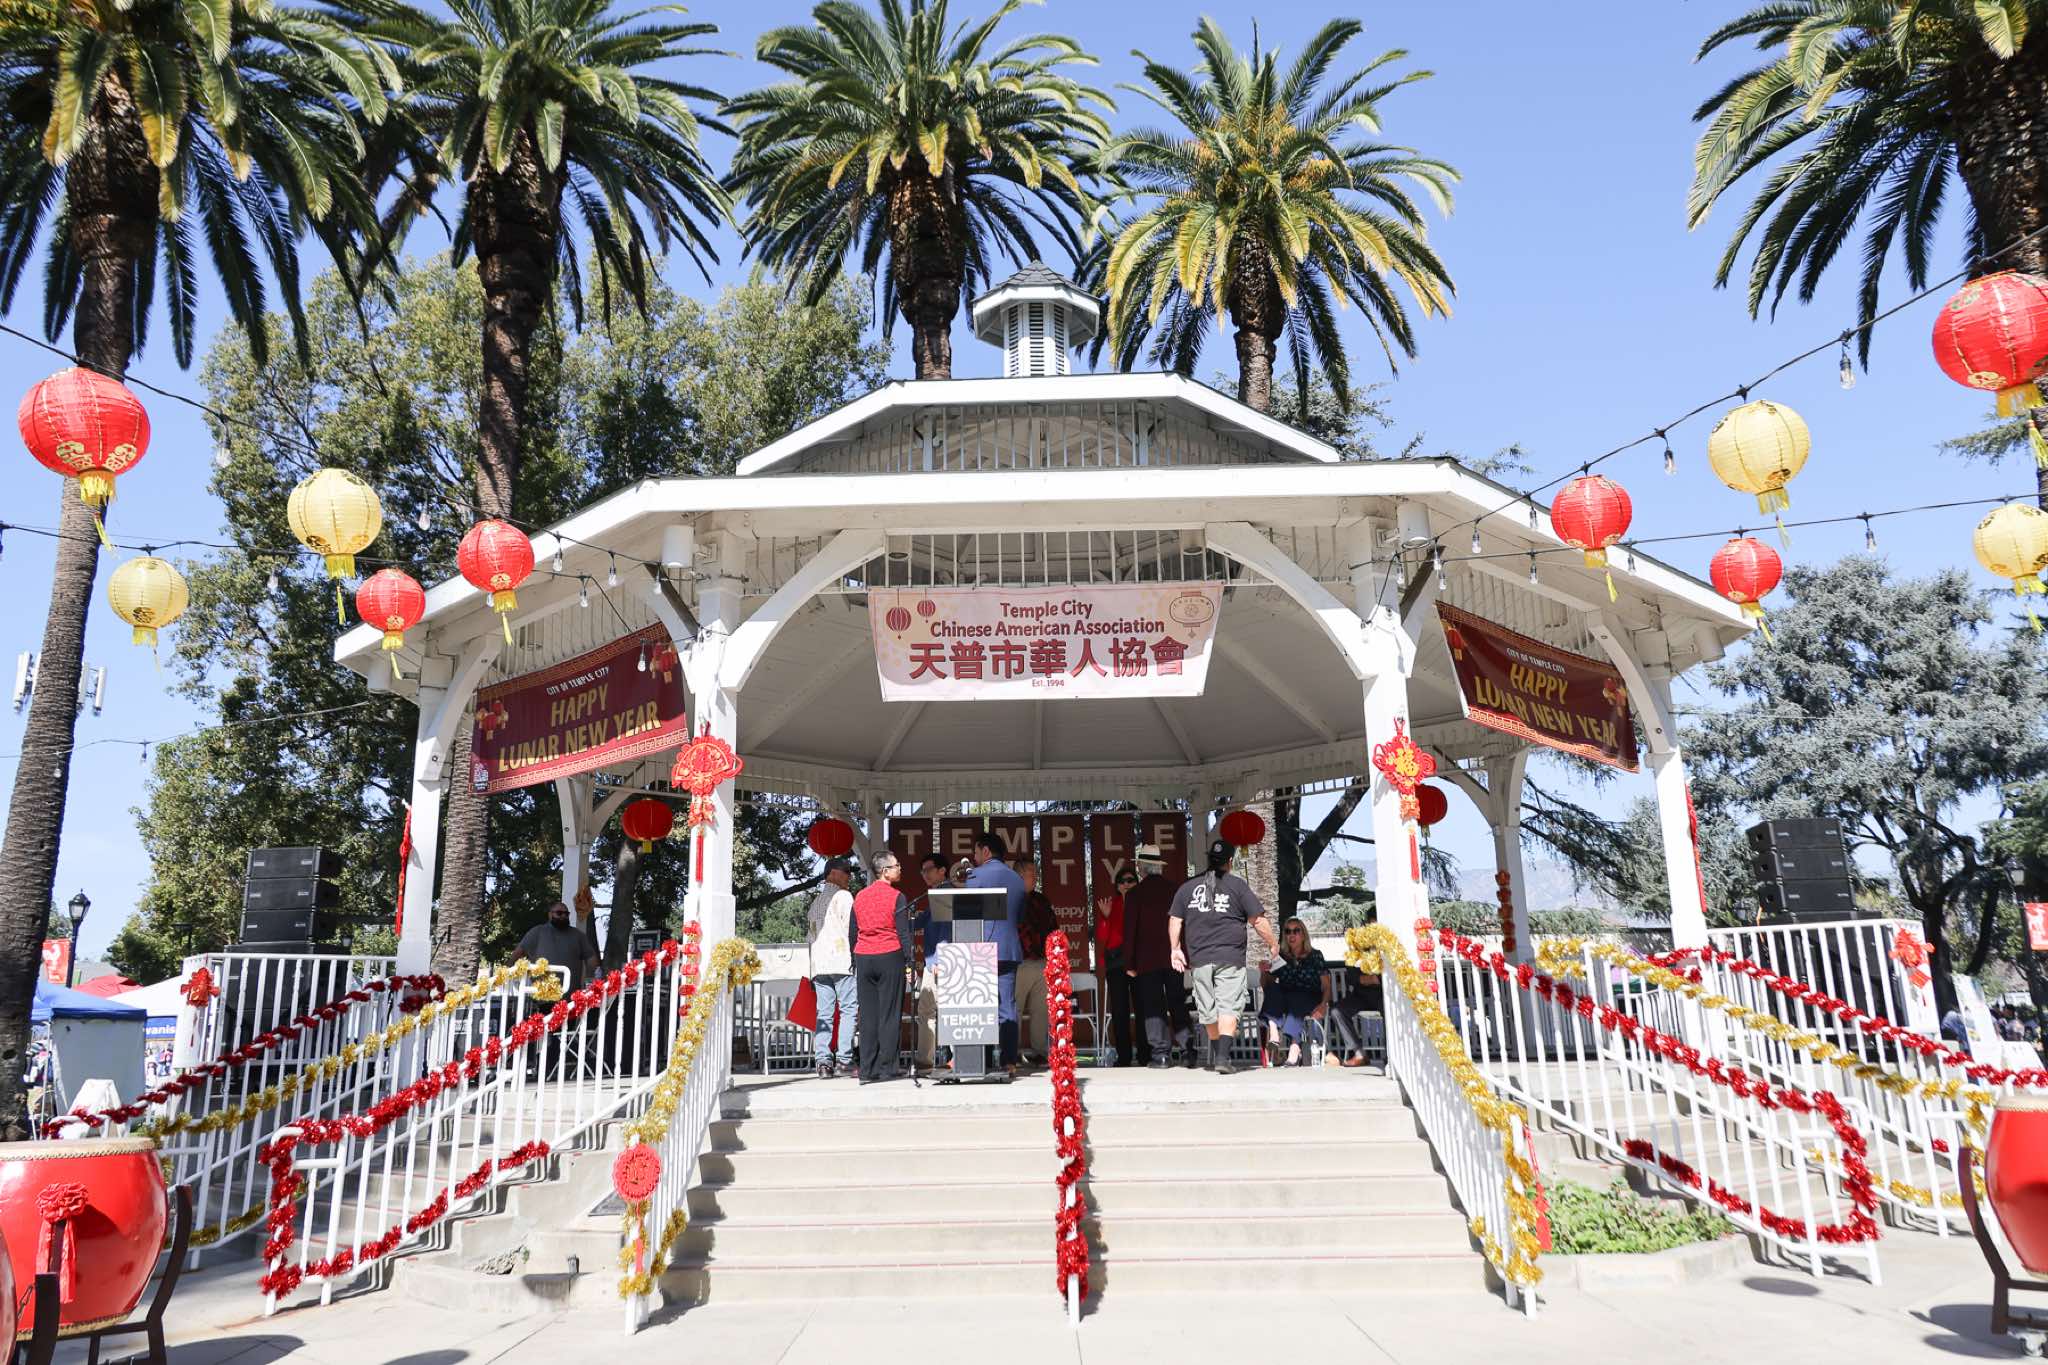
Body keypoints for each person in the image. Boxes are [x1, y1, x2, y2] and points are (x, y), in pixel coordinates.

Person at [1169, 839, 1277, 1074]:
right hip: (1230, 956)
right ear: (1230, 861)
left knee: (1207, 1010)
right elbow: (1257, 920)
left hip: (1199, 959)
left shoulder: (1188, 887)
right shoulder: (1237, 886)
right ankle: (1222, 1057)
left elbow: (1175, 919)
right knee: (1228, 1006)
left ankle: (1220, 1055)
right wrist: (1273, 944)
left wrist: (1175, 948)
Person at [1127, 843, 1195, 1069]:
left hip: (1147, 959)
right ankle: (1188, 1051)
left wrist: (1130, 962)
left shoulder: (1135, 894)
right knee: (1178, 1001)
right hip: (1174, 956)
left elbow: (1131, 930)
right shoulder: (1175, 889)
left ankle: (1161, 1054)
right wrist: (1186, 954)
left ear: (1142, 867)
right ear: (1159, 867)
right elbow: (1184, 924)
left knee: (1153, 1006)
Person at [965, 833, 1027, 1068]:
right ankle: (1009, 1061)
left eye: (976, 852)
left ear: (986, 851)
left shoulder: (976, 875)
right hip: (1009, 949)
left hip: (981, 949)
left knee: (979, 1005)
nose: (974, 857)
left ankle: (982, 1061)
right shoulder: (1017, 879)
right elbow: (1020, 917)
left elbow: (967, 914)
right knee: (1007, 1006)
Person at [851, 853, 913, 1084]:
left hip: (864, 956)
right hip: (889, 955)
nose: (900, 868)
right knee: (889, 1014)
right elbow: (903, 932)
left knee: (868, 1016)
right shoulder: (897, 896)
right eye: (896, 866)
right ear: (885, 871)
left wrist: (855, 957)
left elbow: (852, 930)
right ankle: (888, 1068)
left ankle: (867, 1070)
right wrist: (910, 961)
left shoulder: (860, 896)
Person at [806, 856, 859, 1078]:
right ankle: (844, 1059)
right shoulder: (844, 896)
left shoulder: (816, 901)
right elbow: (852, 928)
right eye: (846, 872)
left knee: (824, 1013)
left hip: (819, 964)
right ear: (833, 873)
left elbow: (810, 937)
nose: (849, 876)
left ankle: (823, 1062)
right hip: (841, 960)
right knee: (848, 1009)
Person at [1258, 918, 1330, 1067]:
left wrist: (1324, 1004)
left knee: (1298, 997)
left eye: (1296, 931)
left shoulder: (1315, 955)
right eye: (1288, 931)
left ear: (1303, 934)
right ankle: (1274, 1031)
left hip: (1309, 997)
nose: (1291, 935)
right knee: (1274, 988)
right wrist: (1264, 971)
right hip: (1287, 997)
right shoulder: (1281, 957)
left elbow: (1326, 985)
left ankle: (1295, 1046)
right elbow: (1266, 985)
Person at [1014, 860, 1061, 1066]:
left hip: (1043, 962)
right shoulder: (1009, 899)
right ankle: (1012, 1052)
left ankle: (1040, 1052)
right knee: (1014, 1009)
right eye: (1031, 873)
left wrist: (1054, 956)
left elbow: (1053, 928)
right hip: (1019, 963)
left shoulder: (1041, 900)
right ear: (1020, 875)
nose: (1036, 877)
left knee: (1041, 1010)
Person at [909, 853, 952, 1070]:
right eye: (922, 871)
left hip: (940, 962)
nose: (924, 874)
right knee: (927, 1011)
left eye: (929, 869)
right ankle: (925, 1059)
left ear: (942, 871)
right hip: (932, 962)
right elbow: (919, 923)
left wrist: (940, 959)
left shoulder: (947, 892)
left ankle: (951, 1058)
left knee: (944, 1010)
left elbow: (947, 929)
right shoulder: (935, 894)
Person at [1096, 867, 1142, 1066]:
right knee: (1119, 1011)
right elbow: (1102, 937)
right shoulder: (1111, 904)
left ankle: (1145, 1054)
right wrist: (1106, 916)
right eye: (1122, 881)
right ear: (1117, 886)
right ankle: (1124, 1056)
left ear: (1137, 883)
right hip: (1116, 964)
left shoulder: (1142, 903)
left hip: (1139, 962)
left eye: (1130, 880)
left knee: (1142, 1008)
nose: (1126, 884)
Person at [518, 901, 600, 993]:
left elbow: (591, 958)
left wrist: (589, 978)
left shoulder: (578, 935)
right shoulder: (537, 932)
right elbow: (517, 954)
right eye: (559, 913)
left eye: (566, 914)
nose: (563, 916)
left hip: (570, 995)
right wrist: (508, 974)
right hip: (542, 994)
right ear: (550, 915)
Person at [1326, 960, 1387, 1069]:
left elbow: (1384, 977)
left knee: (1389, 1011)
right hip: (1360, 996)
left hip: (1383, 994)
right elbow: (1352, 978)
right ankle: (1359, 1053)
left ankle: (1389, 1054)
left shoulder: (1383, 950)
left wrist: (1370, 979)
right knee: (1337, 1011)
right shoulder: (1354, 953)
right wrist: (1371, 979)